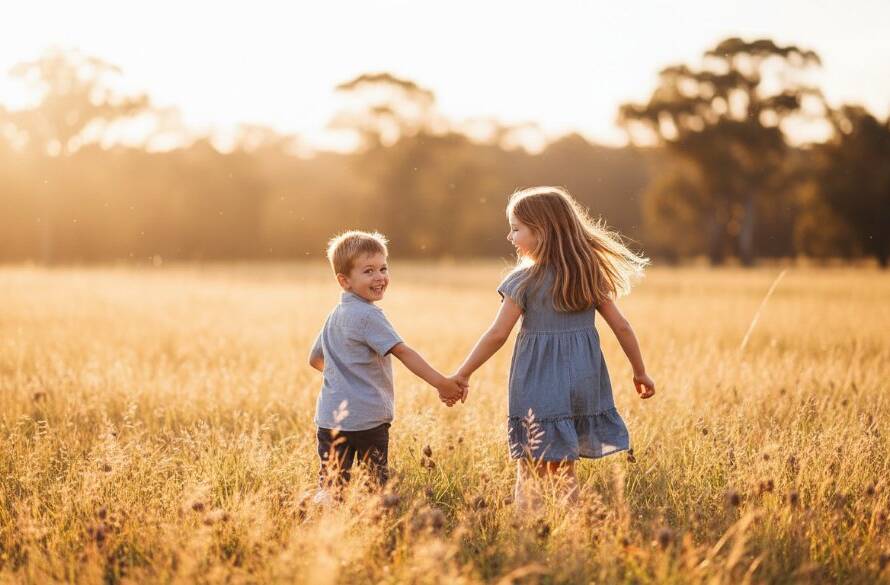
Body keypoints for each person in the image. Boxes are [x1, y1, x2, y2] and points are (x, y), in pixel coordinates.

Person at [454, 187, 655, 508]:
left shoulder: (523, 281)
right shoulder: (587, 275)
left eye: (516, 228)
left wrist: (463, 373)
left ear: (542, 231)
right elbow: (622, 326)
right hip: (583, 382)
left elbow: (497, 334)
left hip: (539, 382)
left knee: (531, 464)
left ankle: (529, 527)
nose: (510, 236)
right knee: (564, 466)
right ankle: (569, 524)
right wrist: (640, 372)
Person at [309, 230, 466, 499]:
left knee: (332, 485)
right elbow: (403, 352)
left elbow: (315, 359)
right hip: (367, 419)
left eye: (383, 268)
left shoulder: (335, 316)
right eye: (368, 271)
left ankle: (324, 525)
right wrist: (442, 383)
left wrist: (344, 379)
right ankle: (376, 527)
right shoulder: (368, 315)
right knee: (376, 487)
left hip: (330, 419)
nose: (380, 277)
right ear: (344, 280)